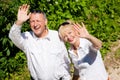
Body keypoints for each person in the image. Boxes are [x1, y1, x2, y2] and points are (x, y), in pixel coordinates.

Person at [9, 4, 71, 80]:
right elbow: (13, 36)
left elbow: (65, 61)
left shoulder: (57, 36)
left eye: (38, 21)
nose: (35, 24)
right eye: (32, 21)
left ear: (45, 22)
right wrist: (19, 21)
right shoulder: (27, 38)